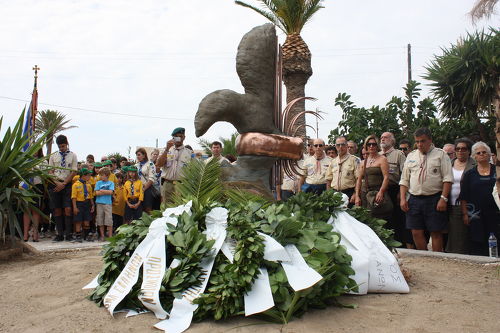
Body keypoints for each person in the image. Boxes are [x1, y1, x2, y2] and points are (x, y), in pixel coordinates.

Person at [400, 128, 453, 252]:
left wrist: (443, 199)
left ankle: (437, 259)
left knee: (435, 231)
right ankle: (424, 257)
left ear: (430, 140)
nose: (419, 144)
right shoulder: (412, 156)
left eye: (422, 141)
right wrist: (403, 198)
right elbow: (404, 180)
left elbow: (447, 178)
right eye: (417, 142)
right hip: (414, 198)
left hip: (434, 197)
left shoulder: (441, 154)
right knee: (416, 231)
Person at [459, 142, 499, 256]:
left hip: (495, 213)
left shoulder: (498, 171)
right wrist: (465, 214)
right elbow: (464, 196)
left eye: (484, 152)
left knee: (496, 238)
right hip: (475, 214)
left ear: (489, 154)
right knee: (477, 240)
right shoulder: (469, 174)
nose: (482, 154)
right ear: (474, 156)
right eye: (478, 153)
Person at [380, 132, 412, 248]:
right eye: (381, 137)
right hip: (381, 191)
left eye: (386, 137)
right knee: (383, 219)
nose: (383, 139)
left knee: (397, 219)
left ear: (392, 140)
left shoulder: (399, 154)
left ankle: (399, 245)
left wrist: (401, 192)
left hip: (395, 190)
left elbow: (405, 174)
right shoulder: (378, 155)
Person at [446, 138, 475, 254]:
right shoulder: (449, 163)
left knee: (463, 235)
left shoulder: (474, 164)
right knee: (453, 234)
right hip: (450, 204)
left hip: (469, 205)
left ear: (469, 151)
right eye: (457, 149)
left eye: (464, 149)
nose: (460, 151)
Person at [48, 135, 78, 242]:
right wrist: (57, 183)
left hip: (67, 184)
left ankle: (68, 234)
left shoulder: (73, 155)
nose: (62, 148)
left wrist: (64, 183)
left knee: (68, 209)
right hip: (55, 184)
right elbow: (50, 171)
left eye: (63, 146)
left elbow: (74, 171)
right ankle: (59, 234)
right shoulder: (53, 156)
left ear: (67, 144)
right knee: (57, 210)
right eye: (60, 146)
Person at [354, 135, 390, 220]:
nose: (371, 146)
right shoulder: (363, 162)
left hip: (377, 194)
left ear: (377, 145)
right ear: (366, 146)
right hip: (364, 194)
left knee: (378, 219)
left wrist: (381, 192)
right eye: (369, 144)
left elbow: (386, 177)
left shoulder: (382, 159)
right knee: (365, 219)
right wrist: (357, 196)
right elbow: (359, 180)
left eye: (373, 144)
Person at [156, 127, 193, 204]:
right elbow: (158, 164)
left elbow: (192, 171)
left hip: (181, 185)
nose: (178, 138)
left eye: (180, 136)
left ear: (184, 137)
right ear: (173, 138)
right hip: (167, 184)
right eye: (176, 137)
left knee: (180, 208)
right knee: (166, 208)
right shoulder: (166, 150)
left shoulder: (189, 153)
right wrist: (167, 149)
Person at [326, 136, 360, 205]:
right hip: (334, 194)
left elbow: (358, 179)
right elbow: (329, 179)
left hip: (349, 194)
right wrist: (329, 194)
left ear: (347, 146)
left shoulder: (354, 160)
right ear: (336, 146)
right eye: (338, 145)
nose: (340, 147)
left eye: (343, 144)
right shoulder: (333, 161)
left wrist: (355, 194)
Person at [22, 148, 44, 242]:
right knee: (26, 210)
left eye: (36, 149)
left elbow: (44, 174)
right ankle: (25, 234)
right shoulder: (24, 160)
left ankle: (35, 233)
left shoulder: (43, 161)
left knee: (36, 211)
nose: (34, 151)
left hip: (37, 186)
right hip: (26, 186)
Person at [71, 167, 94, 243]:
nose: (89, 177)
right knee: (78, 220)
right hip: (79, 203)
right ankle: (78, 236)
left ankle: (86, 236)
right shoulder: (75, 185)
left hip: (87, 203)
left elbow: (90, 196)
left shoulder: (88, 185)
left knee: (87, 220)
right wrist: (74, 207)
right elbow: (73, 197)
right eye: (88, 175)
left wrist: (92, 205)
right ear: (83, 176)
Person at [94, 167, 115, 241]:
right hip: (99, 203)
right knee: (100, 220)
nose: (100, 176)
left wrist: (101, 190)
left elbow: (111, 192)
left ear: (106, 175)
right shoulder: (98, 183)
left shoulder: (111, 183)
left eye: (101, 175)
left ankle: (110, 236)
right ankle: (102, 236)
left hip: (108, 204)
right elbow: (96, 193)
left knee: (109, 220)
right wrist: (106, 191)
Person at [135, 148, 156, 214]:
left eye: (139, 155)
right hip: (137, 189)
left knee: (147, 208)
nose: (137, 157)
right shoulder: (136, 165)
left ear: (144, 155)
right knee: (138, 208)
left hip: (147, 188)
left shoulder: (150, 164)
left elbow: (151, 179)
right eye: (137, 155)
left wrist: (143, 189)